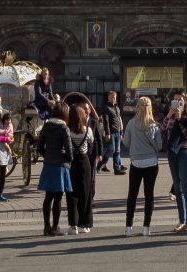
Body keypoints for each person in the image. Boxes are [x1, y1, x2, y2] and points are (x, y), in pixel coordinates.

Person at [123, 94, 163, 235]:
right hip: (151, 162)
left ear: (137, 107)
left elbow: (126, 143)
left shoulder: (131, 123)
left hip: (136, 162)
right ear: (150, 108)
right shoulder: (155, 125)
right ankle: (146, 227)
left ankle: (129, 227)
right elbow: (159, 146)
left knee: (132, 194)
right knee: (149, 195)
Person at [36, 107, 74, 236]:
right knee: (58, 197)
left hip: (48, 164)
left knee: (48, 197)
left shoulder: (46, 126)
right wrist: (69, 160)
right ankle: (55, 227)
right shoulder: (64, 128)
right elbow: (69, 149)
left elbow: (39, 146)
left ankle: (46, 226)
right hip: (60, 165)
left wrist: (47, 155)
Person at [163, 94, 187, 233]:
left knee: (186, 188)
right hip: (172, 152)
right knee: (177, 188)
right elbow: (163, 129)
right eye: (175, 99)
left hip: (184, 151)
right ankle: (181, 220)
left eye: (180, 99)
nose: (178, 101)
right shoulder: (171, 115)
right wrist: (168, 116)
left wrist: (179, 118)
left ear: (185, 101)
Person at [67, 99, 98, 234]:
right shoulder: (88, 130)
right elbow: (91, 143)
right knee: (85, 193)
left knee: (72, 194)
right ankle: (85, 224)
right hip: (84, 162)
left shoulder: (67, 130)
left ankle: (73, 224)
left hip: (71, 162)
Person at [102, 90, 126, 175]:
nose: (113, 98)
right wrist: (107, 133)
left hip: (118, 132)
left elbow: (119, 121)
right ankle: (101, 163)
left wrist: (121, 132)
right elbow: (106, 121)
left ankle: (117, 169)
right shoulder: (106, 108)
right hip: (111, 132)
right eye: (112, 97)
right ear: (108, 97)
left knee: (117, 151)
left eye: (115, 97)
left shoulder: (117, 108)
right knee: (112, 149)